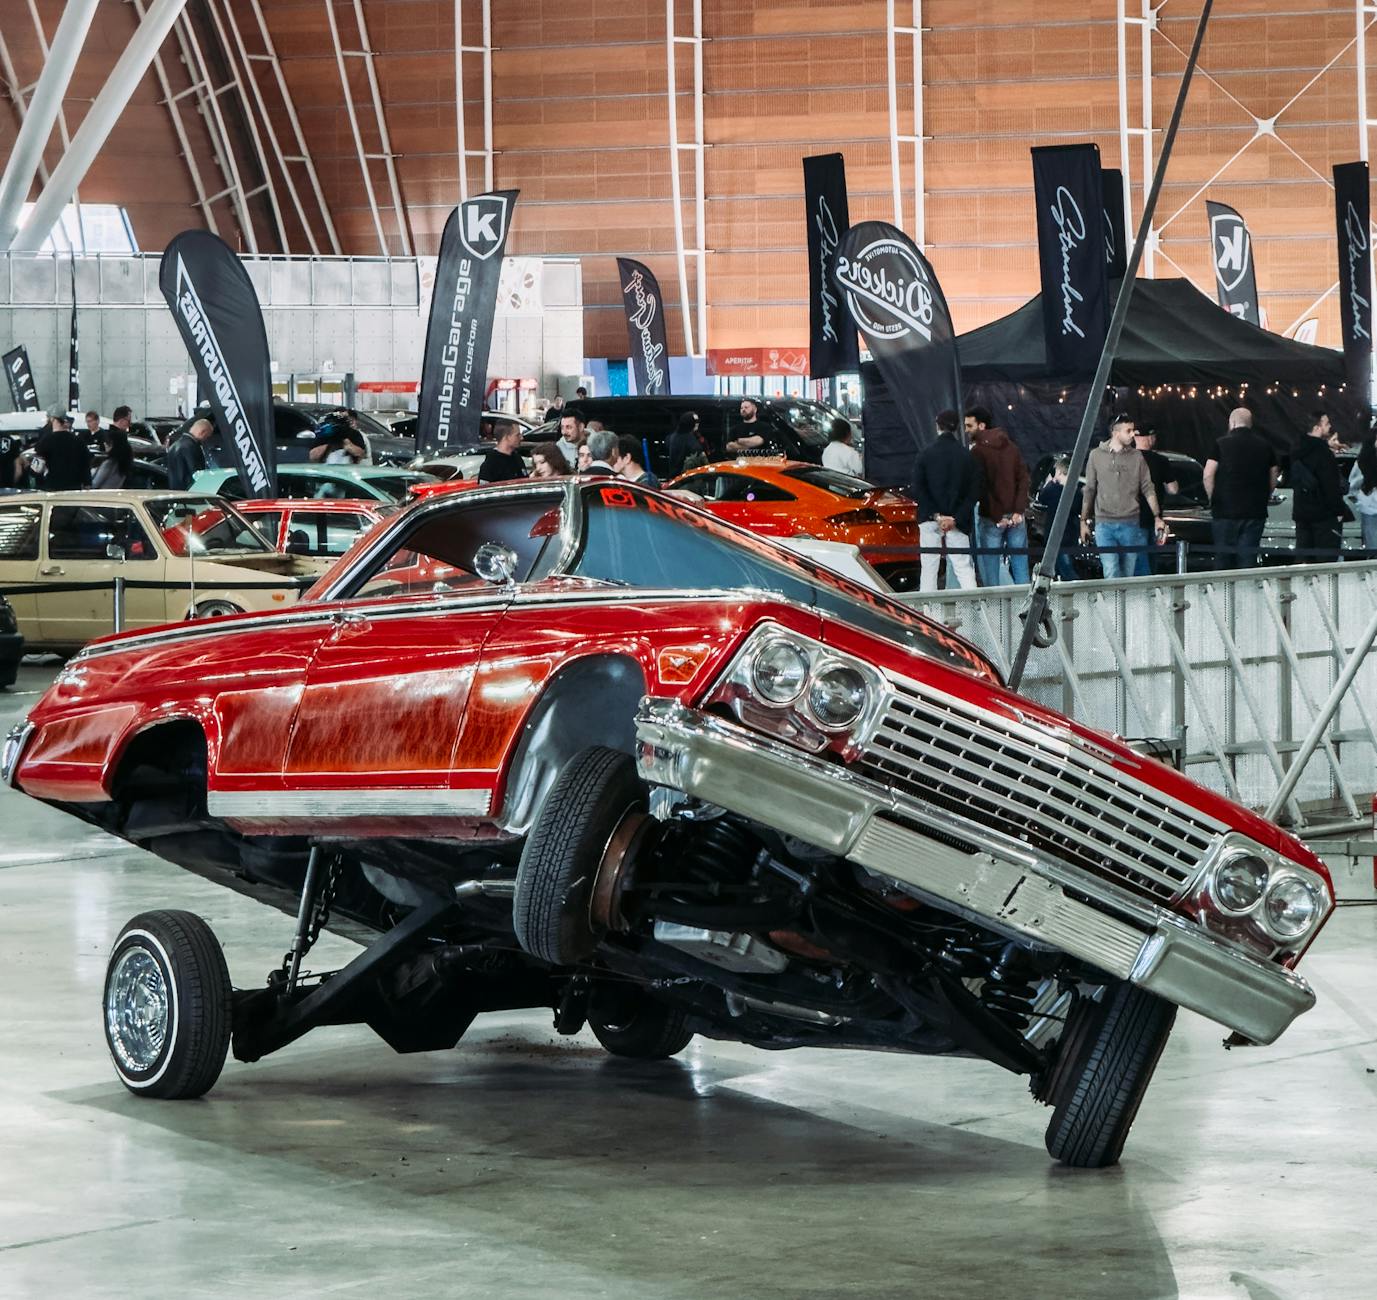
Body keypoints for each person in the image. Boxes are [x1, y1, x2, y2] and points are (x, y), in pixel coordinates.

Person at [1080, 414, 1166, 579]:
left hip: (1130, 522)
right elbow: (1089, 489)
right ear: (1116, 432)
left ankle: (1122, 604)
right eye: (1129, 430)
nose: (1133, 434)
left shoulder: (1137, 457)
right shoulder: (1096, 456)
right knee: (1111, 570)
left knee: (1127, 573)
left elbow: (1148, 487)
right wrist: (1083, 521)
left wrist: (1157, 516)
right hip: (1105, 523)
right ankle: (1114, 604)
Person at [913, 409, 980, 592]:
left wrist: (936, 515)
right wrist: (955, 518)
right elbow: (973, 493)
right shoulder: (967, 457)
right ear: (957, 427)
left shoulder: (925, 454)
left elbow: (919, 489)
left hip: (930, 518)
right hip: (957, 520)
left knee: (929, 569)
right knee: (964, 568)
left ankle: (928, 616)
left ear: (937, 426)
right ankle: (974, 615)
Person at [1203, 407, 1277, 569]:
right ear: (1250, 424)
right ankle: (1246, 593)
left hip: (1224, 511)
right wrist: (1265, 496)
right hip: (1254, 512)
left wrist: (1213, 498)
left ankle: (1223, 593)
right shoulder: (1265, 446)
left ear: (1232, 422)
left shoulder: (1220, 444)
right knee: (1247, 561)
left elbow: (1208, 474)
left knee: (1223, 559)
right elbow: (1273, 476)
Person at [967, 406, 1030, 586]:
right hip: (1016, 518)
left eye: (969, 425)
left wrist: (997, 516)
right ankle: (1026, 612)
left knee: (991, 573)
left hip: (991, 519)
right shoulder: (1012, 447)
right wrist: (1018, 511)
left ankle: (996, 613)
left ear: (981, 426)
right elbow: (1023, 479)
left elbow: (981, 487)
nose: (966, 430)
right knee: (1021, 570)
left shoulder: (977, 452)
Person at [1290, 411, 1345, 562]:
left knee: (1304, 560)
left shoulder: (1296, 450)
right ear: (1317, 427)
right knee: (1324, 564)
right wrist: (1339, 510)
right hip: (1324, 515)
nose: (1330, 426)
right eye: (1326, 423)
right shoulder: (1324, 454)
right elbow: (1331, 485)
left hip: (1301, 513)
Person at [1132, 427, 1180, 572]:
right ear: (1150, 438)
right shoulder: (1160, 461)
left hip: (1129, 517)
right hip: (1154, 519)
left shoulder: (1125, 460)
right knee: (1151, 560)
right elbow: (1174, 489)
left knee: (1137, 561)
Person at [1034, 457, 1082, 580]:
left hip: (1055, 537)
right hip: (1071, 536)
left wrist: (1050, 482)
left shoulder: (1052, 489)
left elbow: (1041, 498)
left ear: (1059, 472)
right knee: (1066, 566)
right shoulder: (1076, 493)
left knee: (1064, 570)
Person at [30, 409, 90, 490]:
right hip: (74, 488)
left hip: (53, 488)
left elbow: (37, 469)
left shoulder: (46, 441)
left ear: (52, 419)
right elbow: (86, 465)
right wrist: (87, 484)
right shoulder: (78, 441)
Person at [166, 418, 214, 490]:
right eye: (207, 436)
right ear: (202, 432)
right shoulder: (191, 447)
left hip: (175, 492)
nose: (206, 439)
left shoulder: (174, 446)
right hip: (190, 492)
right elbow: (196, 474)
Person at [1349, 439, 1377, 556]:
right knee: (1373, 551)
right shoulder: (1363, 461)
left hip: (1369, 509)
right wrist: (1363, 501)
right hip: (1370, 511)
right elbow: (1352, 486)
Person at [667, 411, 709, 477]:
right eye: (695, 421)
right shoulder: (691, 440)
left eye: (698, 421)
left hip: (678, 478)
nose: (697, 423)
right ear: (688, 422)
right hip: (688, 479)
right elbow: (700, 457)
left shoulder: (672, 437)